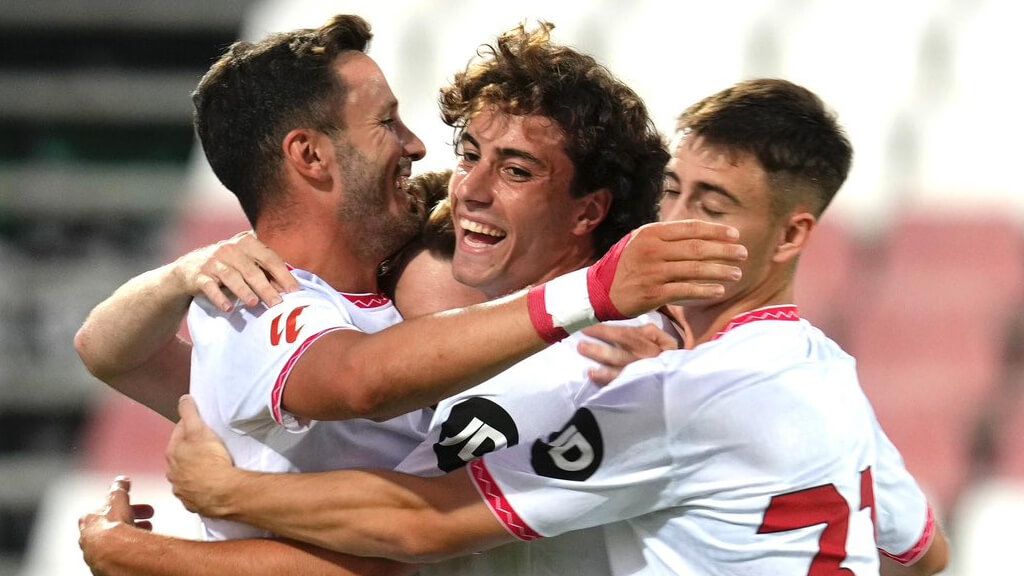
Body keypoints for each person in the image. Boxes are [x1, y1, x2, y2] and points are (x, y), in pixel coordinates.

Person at [153, 79, 950, 575]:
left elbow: (417, 526)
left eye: (712, 207)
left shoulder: (670, 389)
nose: (674, 222)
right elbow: (921, 552)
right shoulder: (825, 373)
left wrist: (225, 493)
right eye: (674, 190)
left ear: (791, 235)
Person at [75, 18, 744, 575]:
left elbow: (406, 531)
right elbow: (108, 352)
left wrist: (169, 533)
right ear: (310, 156)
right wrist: (187, 270)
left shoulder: (603, 361)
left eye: (515, 170)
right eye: (466, 153)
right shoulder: (263, 301)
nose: (456, 178)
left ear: (587, 211)